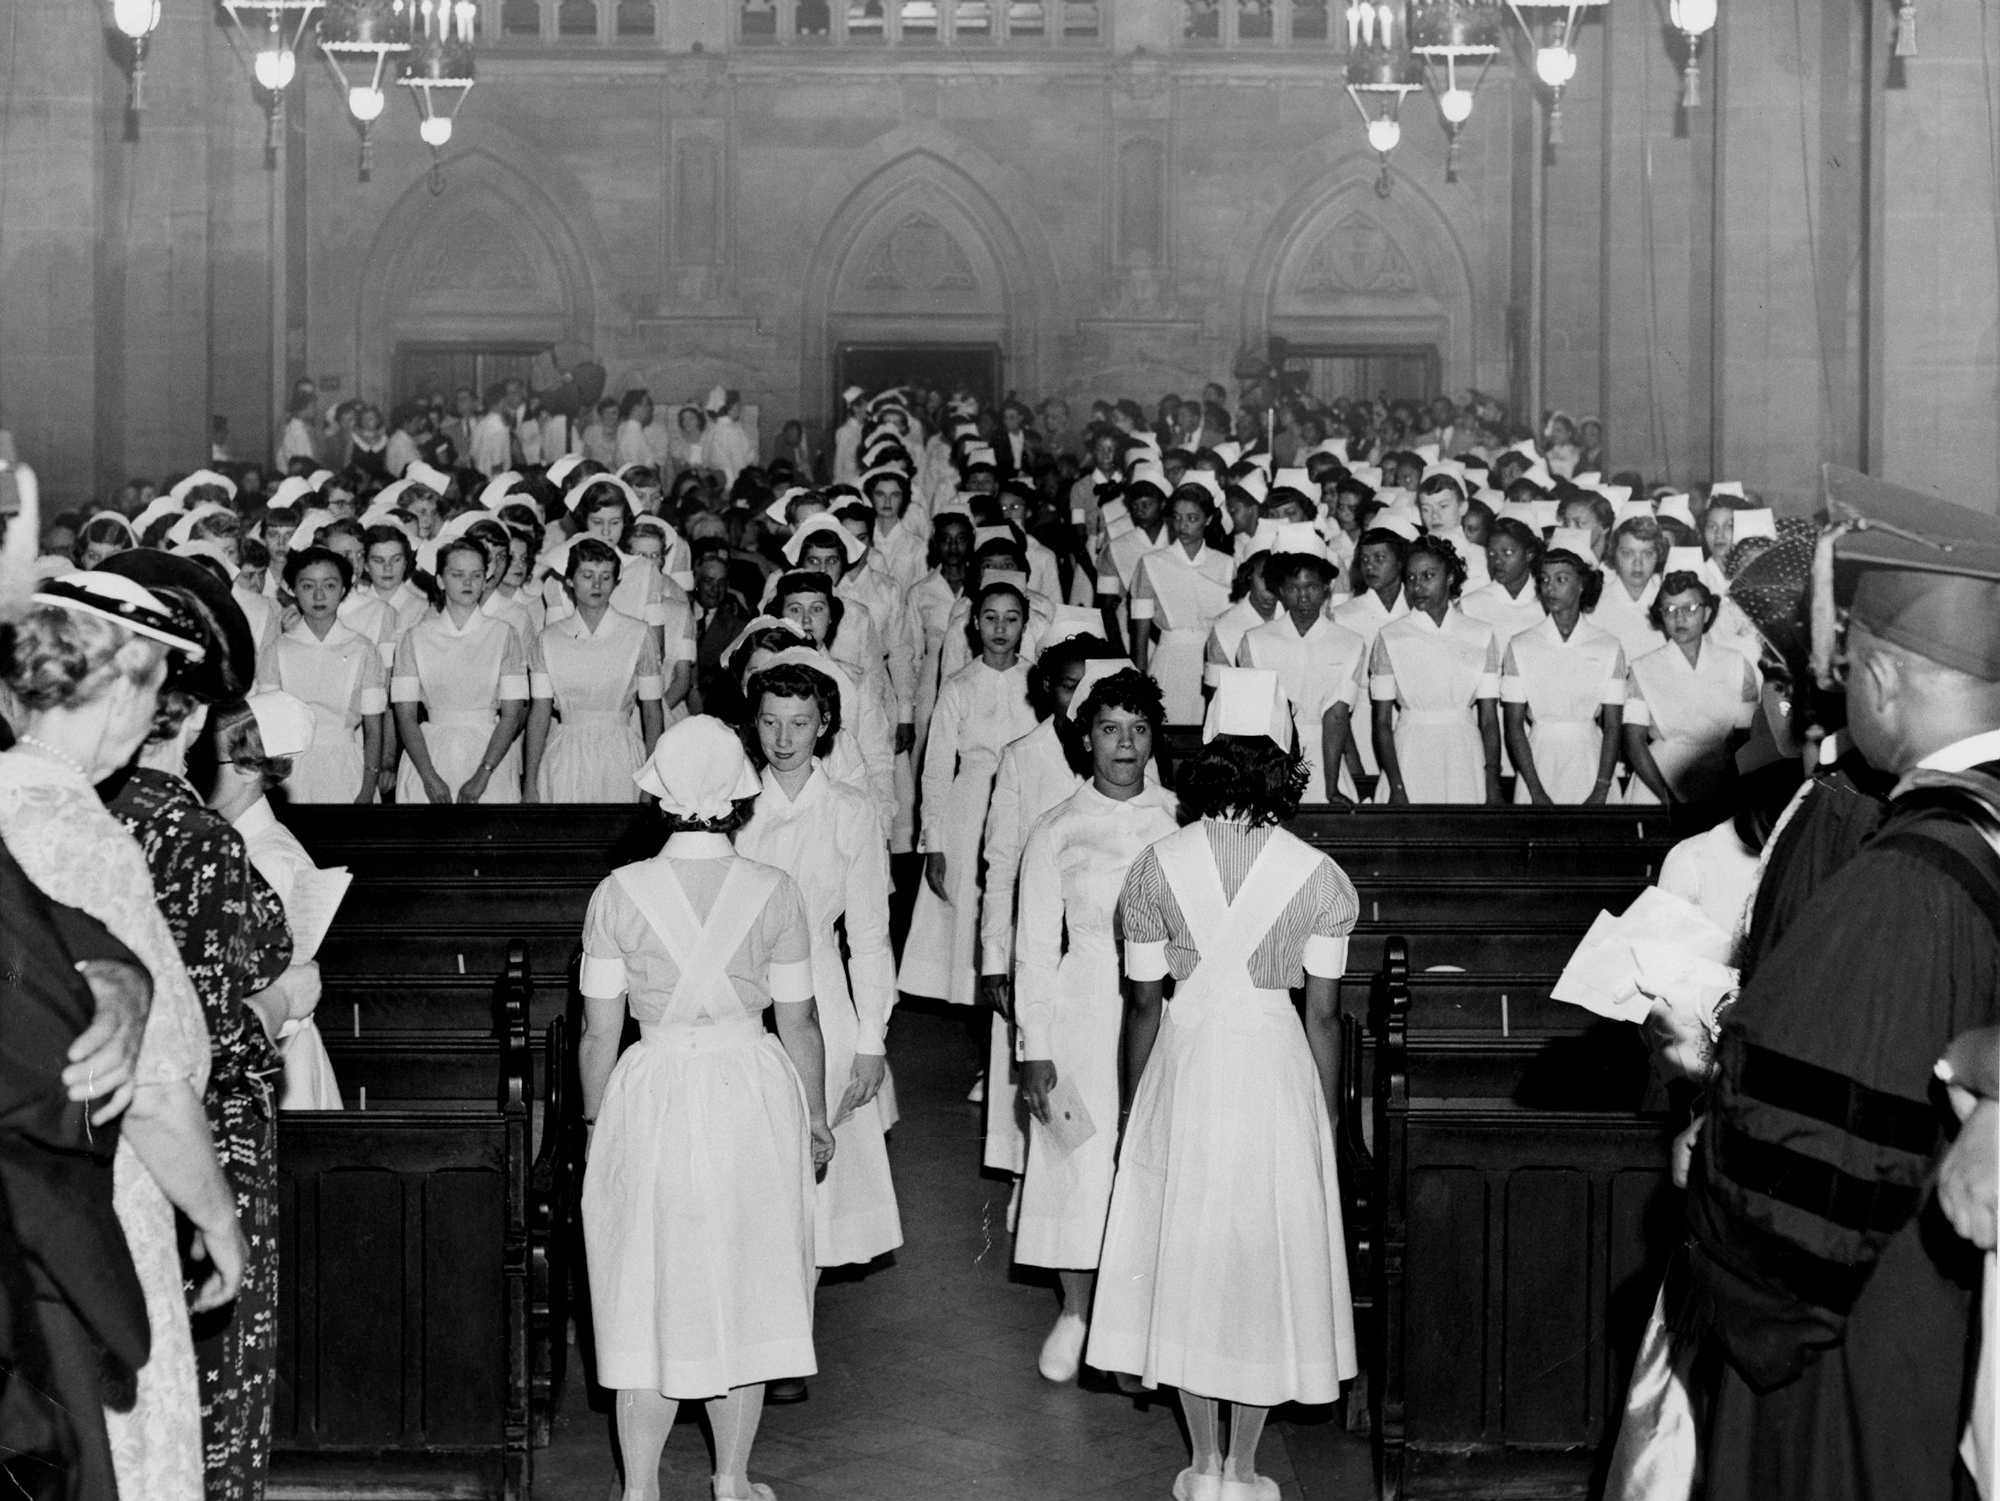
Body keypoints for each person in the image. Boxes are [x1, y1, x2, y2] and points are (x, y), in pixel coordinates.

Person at [1669, 487, 2000, 1501]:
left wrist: (1707, 1119)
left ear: (1888, 680)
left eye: (1849, 667)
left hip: (1861, 1325)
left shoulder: (1897, 883)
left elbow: (1798, 1175)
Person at [0, 573, 246, 1500]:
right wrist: (220, 1220)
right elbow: (148, 1086)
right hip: (90, 1208)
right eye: (156, 690)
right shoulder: (81, 833)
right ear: (127, 685)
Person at [1087, 668, 1360, 1501]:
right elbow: (1320, 1017)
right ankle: (1244, 1467)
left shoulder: (1153, 866)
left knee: (1190, 1251)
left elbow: (1141, 1002)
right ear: (1284, 761)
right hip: (1274, 1066)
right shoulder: (1320, 875)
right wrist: (1327, 1121)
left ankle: (1202, 1464)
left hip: (1189, 1058)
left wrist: (1137, 1103)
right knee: (1257, 1258)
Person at [577, 715, 832, 1501]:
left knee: (648, 1288)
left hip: (651, 1089)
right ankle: (730, 1478)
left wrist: (595, 1129)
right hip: (750, 1090)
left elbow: (598, 1031)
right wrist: (816, 1119)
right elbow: (800, 1021)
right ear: (737, 798)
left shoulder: (617, 892)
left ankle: (643, 1487)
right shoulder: (775, 890)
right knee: (744, 1281)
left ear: (660, 793)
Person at [108, 663, 298, 1501]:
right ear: (190, 726)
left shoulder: (98, 812)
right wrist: (283, 1001)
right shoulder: (198, 837)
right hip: (205, 1138)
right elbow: (209, 1038)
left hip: (97, 1139)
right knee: (221, 1373)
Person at [1012, 665, 1179, 1382]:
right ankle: (1076, 1310)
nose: (1124, 744)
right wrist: (1034, 1047)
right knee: (1075, 1154)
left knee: (1147, 1160)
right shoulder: (1056, 828)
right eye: (1110, 729)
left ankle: (1135, 1321)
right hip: (1080, 1011)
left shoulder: (1177, 820)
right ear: (1085, 738)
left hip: (1161, 1014)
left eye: (1138, 731)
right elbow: (1032, 950)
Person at [735, 663, 901, 1363]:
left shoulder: (850, 810)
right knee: (753, 1168)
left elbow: (867, 934)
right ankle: (756, 1325)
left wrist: (870, 1039)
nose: (784, 737)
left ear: (825, 725)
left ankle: (791, 1336)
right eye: (771, 721)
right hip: (746, 999)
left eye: (800, 722)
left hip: (823, 1001)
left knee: (812, 1173)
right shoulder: (737, 805)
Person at [900, 581, 1038, 1016]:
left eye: (1011, 619)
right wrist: (934, 842)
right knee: (970, 920)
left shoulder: (1038, 681)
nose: (1001, 628)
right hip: (969, 811)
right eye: (991, 618)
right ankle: (985, 1036)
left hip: (1025, 805)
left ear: (1025, 625)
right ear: (975, 625)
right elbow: (937, 769)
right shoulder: (959, 685)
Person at [522, 539, 666, 802]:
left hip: (621, 756)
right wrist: (529, 783)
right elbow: (539, 713)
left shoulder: (639, 634)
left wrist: (650, 781)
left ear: (616, 582)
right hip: (564, 755)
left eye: (605, 577)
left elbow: (652, 713)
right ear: (569, 581)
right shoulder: (548, 639)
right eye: (587, 576)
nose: (597, 585)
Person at [390, 537, 531, 804]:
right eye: (457, 575)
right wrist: (430, 777)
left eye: (476, 575)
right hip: (428, 758)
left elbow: (513, 715)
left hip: (491, 758)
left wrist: (482, 775)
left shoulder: (504, 634)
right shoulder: (415, 637)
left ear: (485, 579)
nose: (467, 583)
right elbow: (405, 716)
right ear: (441, 580)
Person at [1236, 533, 1369, 804]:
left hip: (1326, 763)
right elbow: (1255, 720)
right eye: (1294, 587)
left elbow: (1336, 717)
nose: (1303, 596)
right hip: (1271, 764)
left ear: (1325, 589)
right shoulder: (1255, 641)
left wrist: (1330, 788)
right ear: (1281, 591)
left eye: (1311, 587)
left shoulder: (1350, 643)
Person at [1370, 535, 1503, 805]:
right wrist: (1396, 785)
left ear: (1450, 577)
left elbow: (1489, 720)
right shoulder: (1390, 636)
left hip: (1464, 755)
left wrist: (1491, 781)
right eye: (1411, 578)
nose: (1418, 586)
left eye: (1428, 575)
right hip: (1409, 754)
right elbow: (1382, 723)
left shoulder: (1480, 634)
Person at [1501, 534, 1627, 805]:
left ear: (1581, 585)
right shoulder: (1521, 644)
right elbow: (1513, 726)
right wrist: (1535, 790)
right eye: (1544, 580)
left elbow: (1613, 726)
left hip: (1592, 762)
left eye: (1561, 579)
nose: (1550, 588)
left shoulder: (1608, 645)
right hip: (1538, 761)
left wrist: (1602, 788)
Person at [261, 544, 387, 803]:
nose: (319, 596)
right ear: (292, 589)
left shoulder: (362, 649)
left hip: (348, 768)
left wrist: (367, 787)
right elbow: (269, 726)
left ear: (343, 590)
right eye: (308, 586)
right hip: (291, 775)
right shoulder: (277, 649)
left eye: (329, 586)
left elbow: (374, 729)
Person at [1623, 568, 1759, 807]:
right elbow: (1634, 742)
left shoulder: (1737, 665)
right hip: (1657, 784)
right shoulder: (1642, 668)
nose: (1680, 618)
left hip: (1720, 780)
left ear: (1707, 613)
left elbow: (1746, 738)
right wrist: (1666, 796)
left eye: (1690, 609)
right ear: (1661, 616)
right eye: (1670, 610)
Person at [1130, 485, 1235, 725]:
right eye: (1177, 518)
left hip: (1212, 663)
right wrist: (1138, 679)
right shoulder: (1152, 563)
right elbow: (1141, 629)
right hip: (1169, 659)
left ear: (1208, 519)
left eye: (1192, 518)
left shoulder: (1225, 564)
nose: (1183, 526)